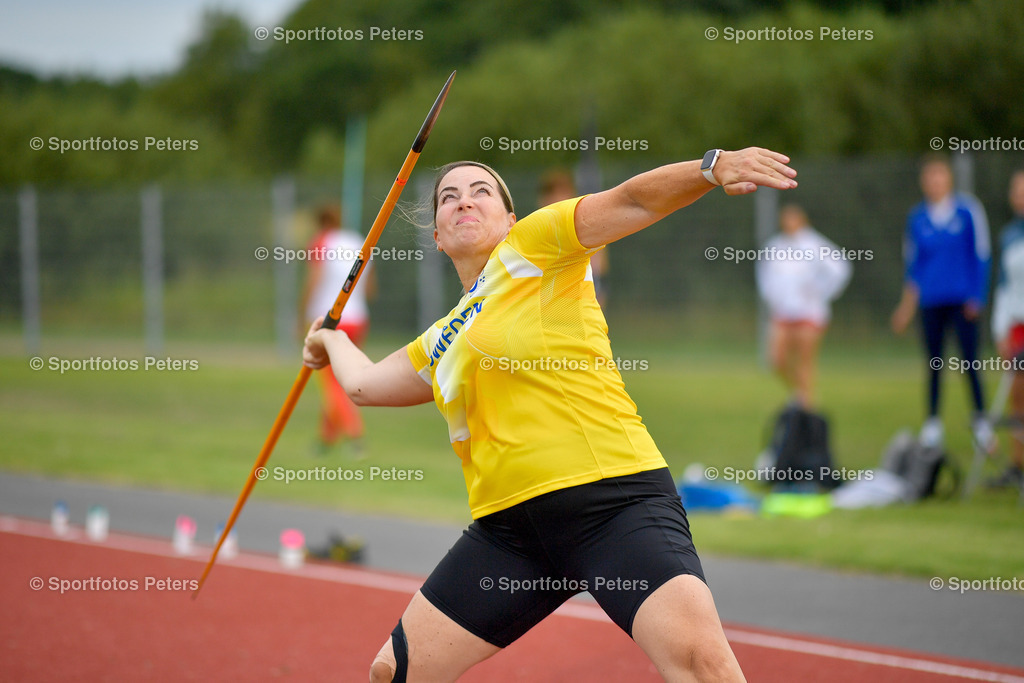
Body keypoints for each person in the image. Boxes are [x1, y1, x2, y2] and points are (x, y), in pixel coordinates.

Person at [303, 148, 798, 682]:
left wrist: (709, 167)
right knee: (393, 673)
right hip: (510, 535)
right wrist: (329, 338)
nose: (463, 201)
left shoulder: (536, 244)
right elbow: (363, 385)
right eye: (448, 198)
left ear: (509, 218)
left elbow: (632, 200)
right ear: (438, 236)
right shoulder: (442, 337)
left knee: (701, 665)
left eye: (480, 191)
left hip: (612, 504)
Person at [891, 155, 993, 450]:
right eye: (929, 177)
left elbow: (981, 254)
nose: (934, 182)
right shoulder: (918, 218)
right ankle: (933, 423)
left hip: (962, 301)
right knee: (934, 363)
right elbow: (914, 266)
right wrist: (906, 307)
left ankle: (981, 421)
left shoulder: (967, 210)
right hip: (931, 301)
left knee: (970, 361)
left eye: (939, 176)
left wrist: (977, 296)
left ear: (948, 179)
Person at [756, 203, 851, 408]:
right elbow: (764, 276)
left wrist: (821, 292)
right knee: (777, 360)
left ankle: (807, 405)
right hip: (783, 312)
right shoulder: (776, 246)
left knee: (804, 361)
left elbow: (840, 268)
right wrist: (772, 298)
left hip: (810, 312)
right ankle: (801, 394)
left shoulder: (815, 244)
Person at [300, 203, 375, 456]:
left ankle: (355, 436)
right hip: (358, 318)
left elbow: (315, 279)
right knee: (339, 378)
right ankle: (326, 439)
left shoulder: (322, 241)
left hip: (330, 319)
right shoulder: (356, 240)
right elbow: (369, 286)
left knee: (332, 382)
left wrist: (302, 313)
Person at [989, 170, 1024, 488]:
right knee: (1017, 399)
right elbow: (1003, 287)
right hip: (1018, 328)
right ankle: (1018, 465)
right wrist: (1001, 330)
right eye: (1016, 190)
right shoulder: (1010, 235)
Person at [538, 169, 610, 307]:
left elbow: (598, 271)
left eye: (562, 193)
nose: (557, 199)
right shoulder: (536, 229)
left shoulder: (584, 227)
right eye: (552, 194)